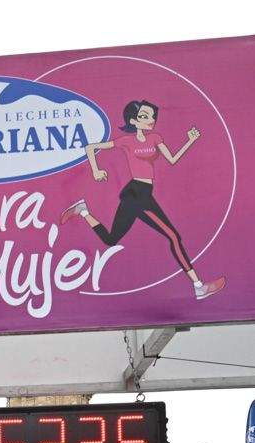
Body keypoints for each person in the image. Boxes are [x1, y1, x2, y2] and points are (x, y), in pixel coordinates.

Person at [62, 100, 225, 301]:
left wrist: (189, 140)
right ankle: (198, 286)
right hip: (137, 194)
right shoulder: (126, 141)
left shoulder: (155, 138)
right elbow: (91, 148)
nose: (151, 120)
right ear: (133, 120)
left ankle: (83, 210)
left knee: (110, 239)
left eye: (152, 117)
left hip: (142, 194)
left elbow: (172, 159)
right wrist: (96, 170)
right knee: (173, 236)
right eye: (144, 117)